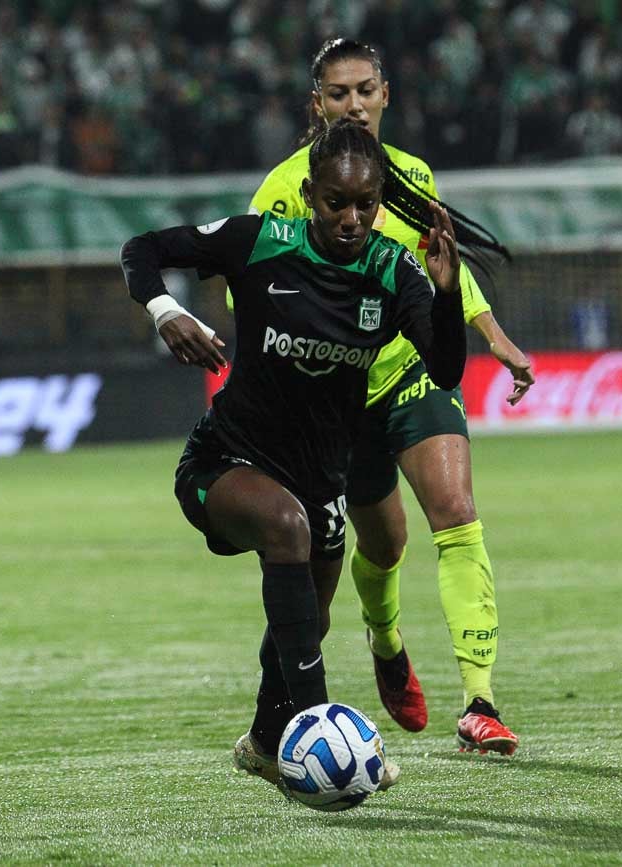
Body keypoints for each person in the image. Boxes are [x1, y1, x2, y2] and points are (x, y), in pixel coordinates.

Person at [121, 119, 467, 794]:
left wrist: (447, 290)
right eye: (336, 201)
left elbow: (446, 365)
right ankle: (322, 735)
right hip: (222, 463)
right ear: (310, 193)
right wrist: (166, 311)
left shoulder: (394, 272)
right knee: (287, 529)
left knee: (308, 615)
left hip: (321, 481)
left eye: (365, 204)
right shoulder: (258, 243)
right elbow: (142, 248)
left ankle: (263, 739)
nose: (351, 217)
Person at [247, 38, 533, 756]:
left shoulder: (410, 176)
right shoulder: (283, 189)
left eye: (365, 90)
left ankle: (480, 700)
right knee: (385, 544)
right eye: (338, 94)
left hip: (409, 374)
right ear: (317, 105)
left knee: (457, 511)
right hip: (335, 398)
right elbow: (250, 294)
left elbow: (439, 272)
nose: (354, 105)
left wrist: (491, 334)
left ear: (384, 95)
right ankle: (385, 637)